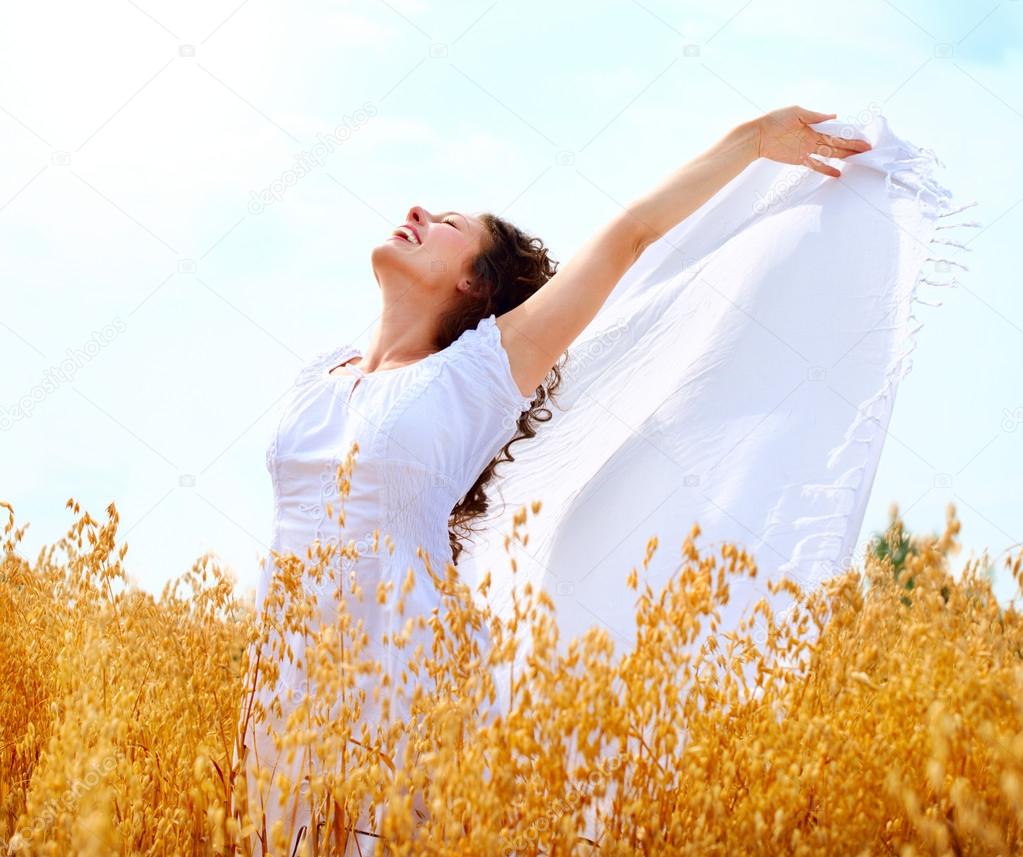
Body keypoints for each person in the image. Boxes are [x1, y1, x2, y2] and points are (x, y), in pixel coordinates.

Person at [241, 105, 871, 854]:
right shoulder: (320, 371)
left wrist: (748, 143)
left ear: (477, 285)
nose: (413, 212)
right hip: (283, 674)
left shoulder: (481, 370)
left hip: (402, 675)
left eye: (445, 221)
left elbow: (628, 235)